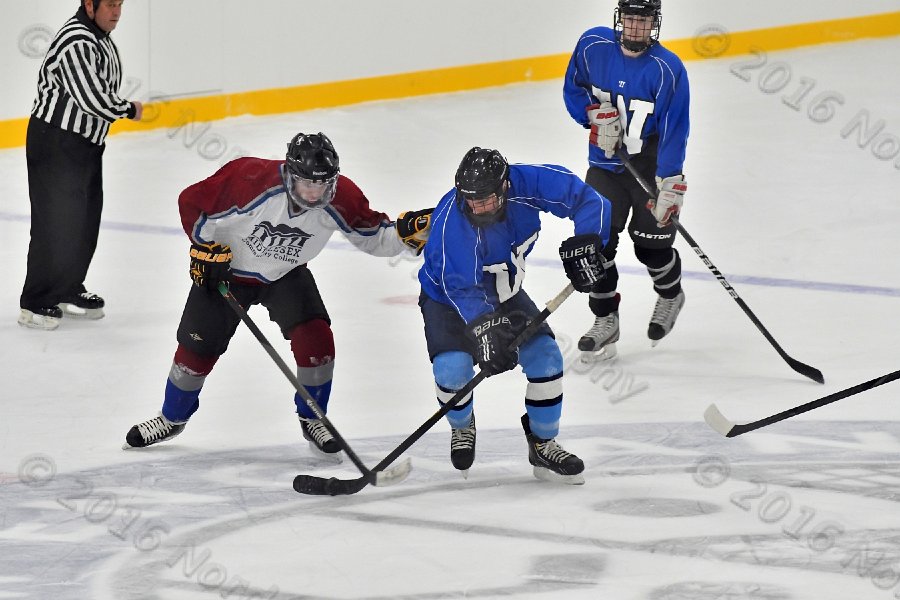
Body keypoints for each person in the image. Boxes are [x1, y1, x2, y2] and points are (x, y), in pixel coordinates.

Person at [123, 132, 432, 458]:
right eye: (306, 184)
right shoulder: (248, 179)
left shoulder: (342, 198)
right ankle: (171, 418)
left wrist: (406, 236)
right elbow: (192, 202)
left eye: (323, 184)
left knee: (316, 339)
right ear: (289, 176)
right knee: (196, 348)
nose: (315, 194)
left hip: (285, 274)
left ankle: (313, 419)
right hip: (229, 273)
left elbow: (371, 235)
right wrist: (204, 247)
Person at [417, 147, 612, 485]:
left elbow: (588, 200)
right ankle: (463, 426)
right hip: (448, 300)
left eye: (485, 200)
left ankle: (543, 443)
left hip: (506, 294)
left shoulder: (528, 184)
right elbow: (461, 288)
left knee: (547, 361)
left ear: (505, 187)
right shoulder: (453, 223)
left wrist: (589, 242)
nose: (477, 208)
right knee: (453, 368)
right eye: (471, 200)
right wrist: (487, 332)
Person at [563, 0, 690, 360]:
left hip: (648, 166)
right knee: (594, 245)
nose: (636, 27)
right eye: (630, 18)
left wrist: (671, 181)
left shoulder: (667, 69)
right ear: (619, 18)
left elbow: (673, 129)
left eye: (644, 19)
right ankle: (606, 320)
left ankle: (670, 295)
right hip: (604, 166)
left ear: (655, 23)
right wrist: (591, 115)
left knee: (650, 246)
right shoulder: (592, 46)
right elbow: (573, 89)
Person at [19, 0, 144, 330]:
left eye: (120, 5)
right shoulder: (77, 39)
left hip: (83, 145)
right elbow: (91, 97)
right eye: (110, 5)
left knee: (83, 220)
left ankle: (67, 288)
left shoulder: (99, 37)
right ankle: (35, 301)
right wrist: (129, 109)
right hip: (56, 143)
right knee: (54, 222)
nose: (116, 12)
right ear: (90, 5)